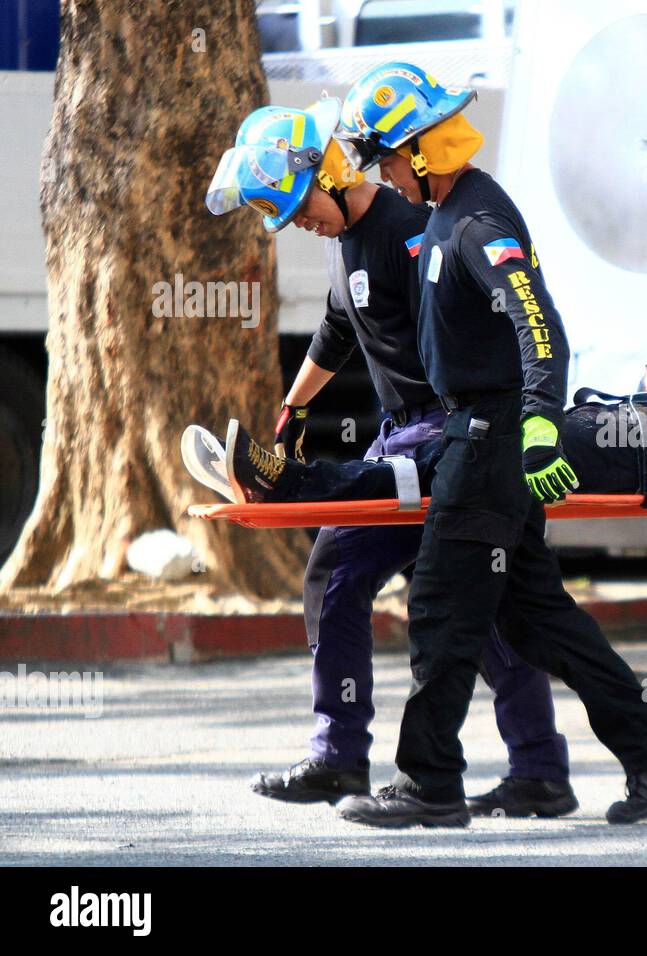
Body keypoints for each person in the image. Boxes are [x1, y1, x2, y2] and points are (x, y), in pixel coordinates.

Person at [327, 63, 647, 827]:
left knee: (439, 607)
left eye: (391, 158)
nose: (387, 174)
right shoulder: (442, 211)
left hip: (492, 439)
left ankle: (430, 783)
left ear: (422, 152)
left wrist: (539, 422)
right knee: (532, 616)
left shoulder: (475, 223)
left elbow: (539, 325)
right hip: (478, 430)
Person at [204, 97, 579, 818]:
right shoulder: (345, 238)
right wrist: (295, 406)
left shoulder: (414, 233)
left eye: (300, 207)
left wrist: (486, 435)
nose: (298, 224)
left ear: (335, 172)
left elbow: (487, 327)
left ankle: (342, 756)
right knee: (480, 604)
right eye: (285, 218)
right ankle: (537, 769)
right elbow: (341, 323)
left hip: (444, 436)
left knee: (348, 570)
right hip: (404, 434)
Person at [181, 360, 647, 507]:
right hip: (638, 433)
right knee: (465, 443)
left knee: (476, 447)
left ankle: (289, 480)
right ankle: (290, 475)